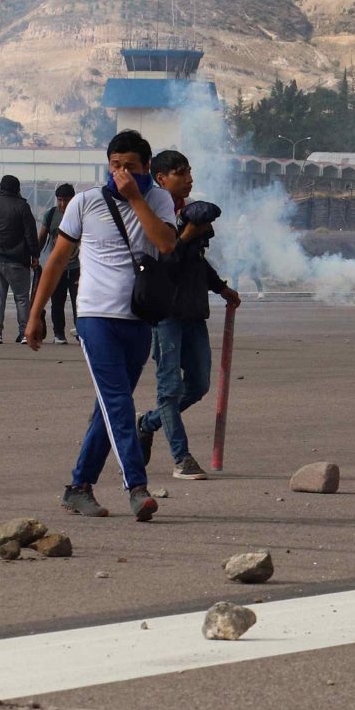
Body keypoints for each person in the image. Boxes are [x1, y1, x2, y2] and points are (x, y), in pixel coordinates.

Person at [27, 131, 177, 520]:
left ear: (147, 168)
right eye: (115, 165)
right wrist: (35, 313)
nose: (121, 172)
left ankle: (78, 487)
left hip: (138, 318)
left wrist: (136, 199)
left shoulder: (157, 199)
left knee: (107, 410)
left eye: (130, 165)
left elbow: (165, 243)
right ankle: (136, 487)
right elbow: (57, 260)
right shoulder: (85, 203)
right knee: (118, 404)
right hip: (95, 317)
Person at [131, 150, 240, 482]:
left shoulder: (193, 213)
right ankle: (182, 457)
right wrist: (185, 236)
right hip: (165, 313)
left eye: (190, 171)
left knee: (198, 385)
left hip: (193, 311)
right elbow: (163, 263)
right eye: (181, 172)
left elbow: (196, 262)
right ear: (161, 178)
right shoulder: (153, 215)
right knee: (169, 389)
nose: (189, 178)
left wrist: (221, 288)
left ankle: (147, 423)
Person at [0, 174, 42, 345]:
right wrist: (35, 255)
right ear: (17, 189)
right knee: (22, 298)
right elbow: (30, 234)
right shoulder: (22, 207)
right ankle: (24, 333)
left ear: (1, 187)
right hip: (17, 260)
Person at [38, 183, 80, 344]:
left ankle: (81, 332)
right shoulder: (51, 215)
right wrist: (34, 256)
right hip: (58, 267)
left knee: (79, 302)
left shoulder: (79, 215)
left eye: (66, 200)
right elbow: (42, 237)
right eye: (60, 200)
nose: (63, 204)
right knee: (57, 301)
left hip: (77, 266)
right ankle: (59, 334)